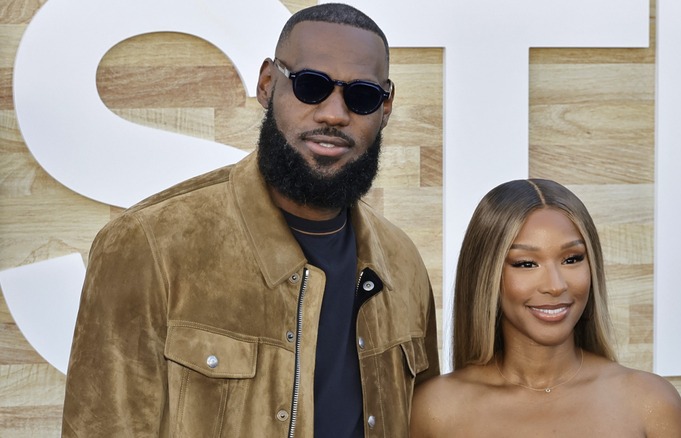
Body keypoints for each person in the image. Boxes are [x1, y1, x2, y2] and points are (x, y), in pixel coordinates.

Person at [62, 4, 439, 437]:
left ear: (385, 107)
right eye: (310, 86)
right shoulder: (149, 244)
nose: (334, 114)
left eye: (362, 96)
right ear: (267, 84)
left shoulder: (402, 263)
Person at [410, 179, 681, 437]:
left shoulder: (650, 402)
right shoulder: (434, 411)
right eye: (526, 264)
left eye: (572, 259)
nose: (555, 285)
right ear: (486, 274)